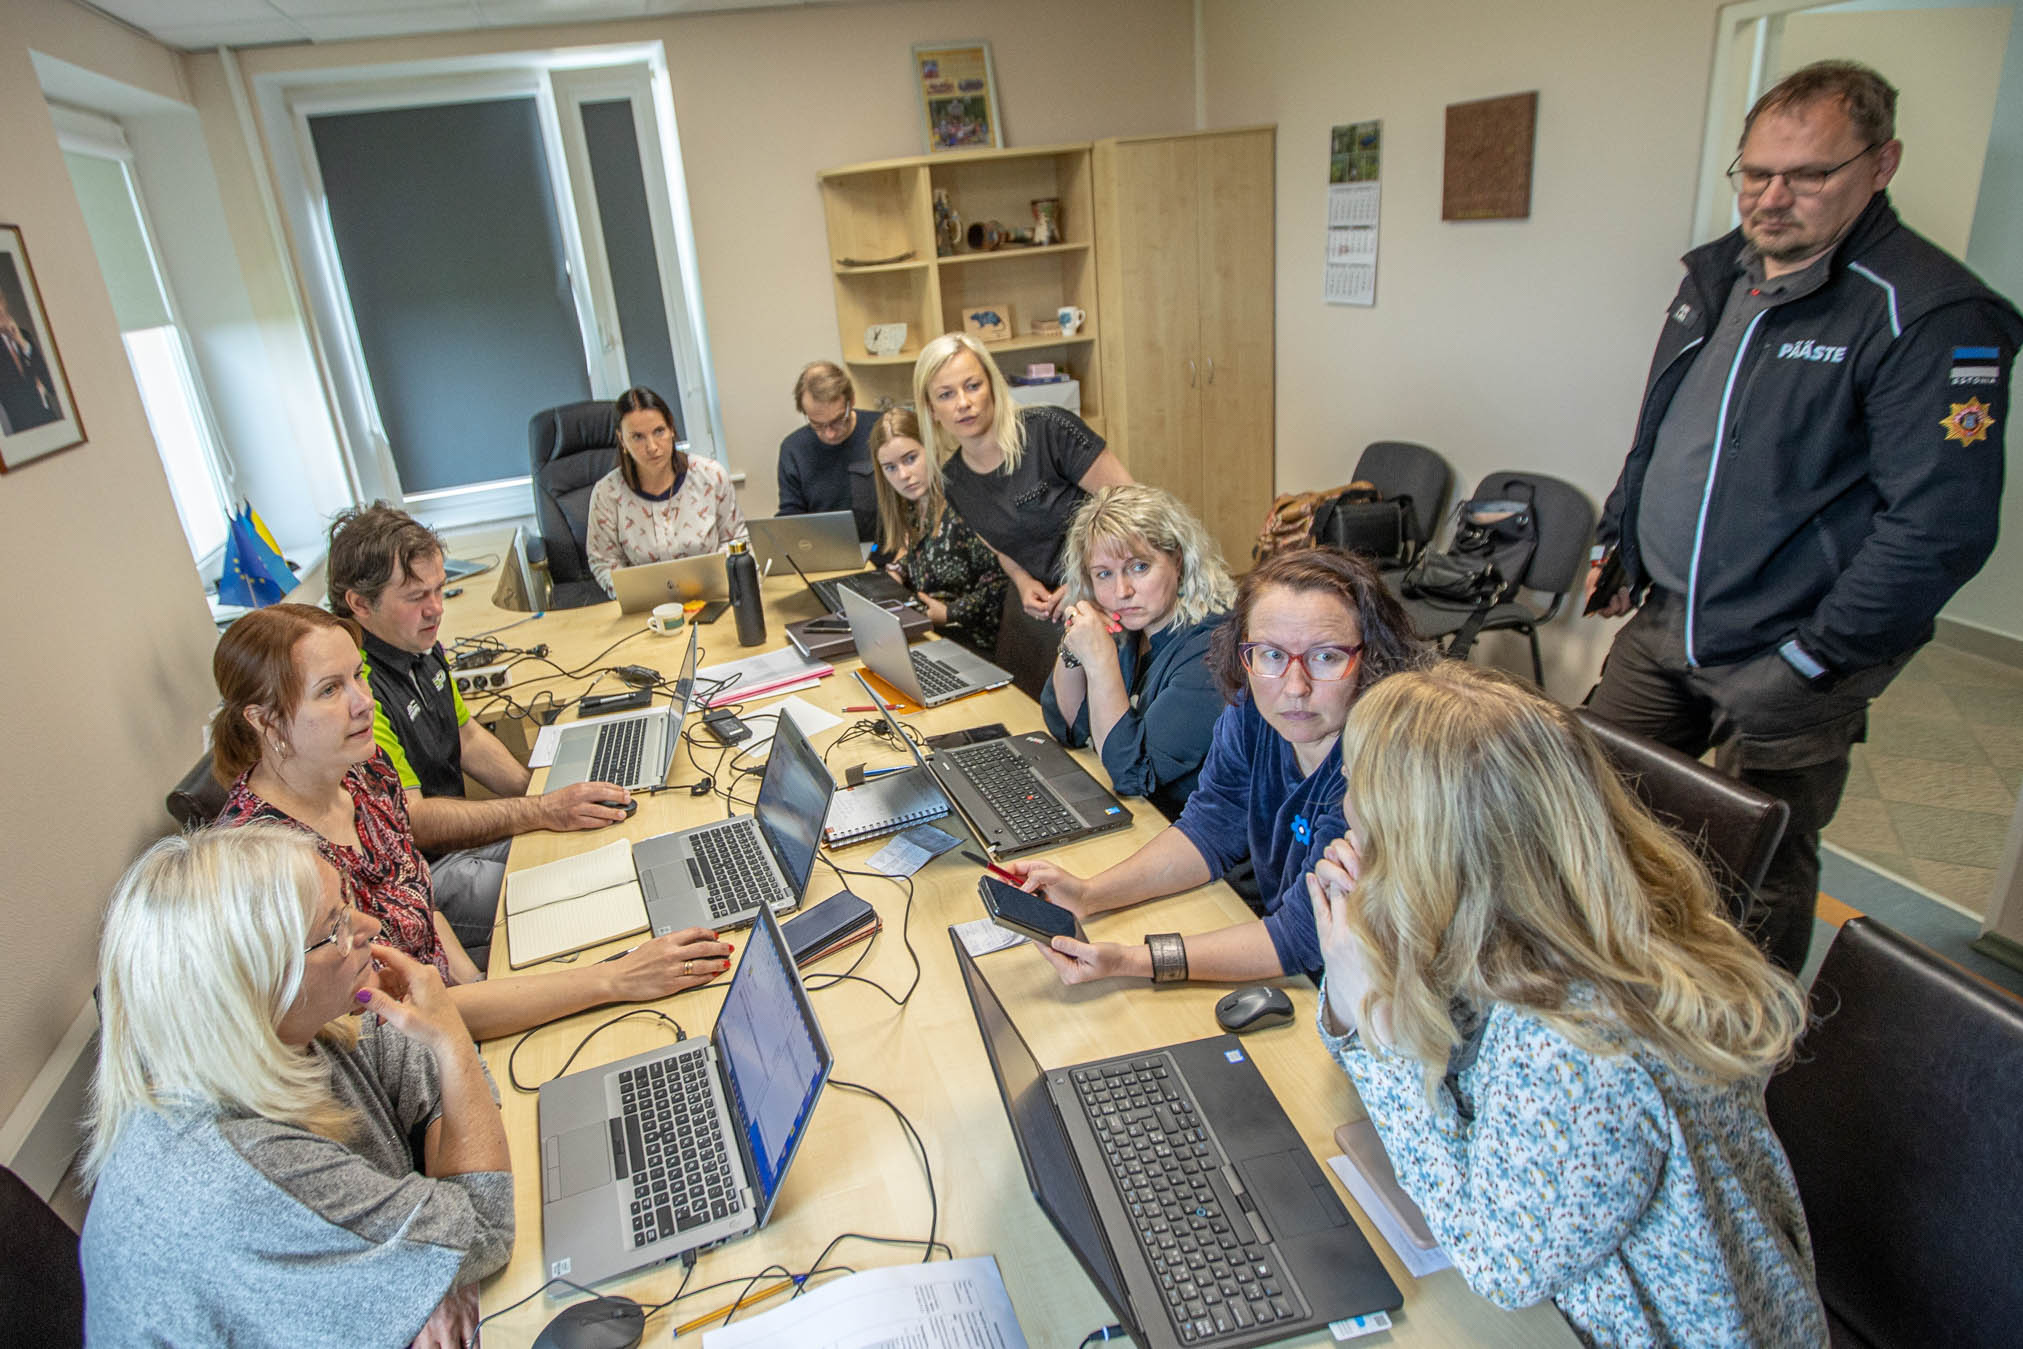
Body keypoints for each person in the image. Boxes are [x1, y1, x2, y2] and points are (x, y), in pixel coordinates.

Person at [1586, 60, 2021, 974]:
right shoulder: (1716, 277)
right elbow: (1664, 424)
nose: (1772, 197)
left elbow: (1939, 527)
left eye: (1809, 174)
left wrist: (1812, 659)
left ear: (1881, 164)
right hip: (1666, 621)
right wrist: (1619, 533)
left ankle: (1757, 1063)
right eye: (1755, 172)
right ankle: (1613, 992)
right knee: (1592, 805)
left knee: (1758, 871)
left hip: (1788, 650)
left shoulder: (1930, 311)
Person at [1308, 662, 1823, 1346]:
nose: (1347, 810)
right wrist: (1371, 960)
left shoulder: (1578, 1042)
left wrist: (1372, 1015)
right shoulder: (1528, 918)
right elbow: (1449, 1045)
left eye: (1361, 794)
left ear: (1436, 847)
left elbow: (1500, 1267)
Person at [210, 602, 732, 1041]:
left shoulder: (363, 769)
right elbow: (394, 1023)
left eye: (359, 677)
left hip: (454, 999)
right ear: (265, 720)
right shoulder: (267, 864)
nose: (363, 703)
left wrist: (473, 977)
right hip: (413, 1056)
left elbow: (415, 892)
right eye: (329, 690)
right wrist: (614, 979)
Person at [80, 822, 515, 1347]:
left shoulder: (303, 1025)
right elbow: (486, 1228)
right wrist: (453, 1044)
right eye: (334, 928)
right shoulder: (236, 1171)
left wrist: (414, 1266)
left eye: (346, 902)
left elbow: (430, 1094)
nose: (369, 925)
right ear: (255, 985)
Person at [1006, 548, 1427, 985]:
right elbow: (1209, 829)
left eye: (1325, 657)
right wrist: (1090, 894)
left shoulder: (1378, 770)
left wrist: (1129, 961)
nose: (1294, 688)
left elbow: (1300, 938)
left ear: (1372, 658)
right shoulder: (1253, 711)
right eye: (1271, 655)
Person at [328, 502, 632, 968]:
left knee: (592, 841)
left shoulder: (420, 646)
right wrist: (541, 809)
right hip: (424, 870)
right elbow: (416, 820)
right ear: (360, 604)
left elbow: (466, 736)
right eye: (415, 597)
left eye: (440, 590)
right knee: (578, 888)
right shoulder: (359, 690)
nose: (436, 610)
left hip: (458, 840)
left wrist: (546, 794)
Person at [1040, 484, 1234, 820]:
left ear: (1177, 560)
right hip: (1143, 820)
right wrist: (1073, 646)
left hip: (1187, 836)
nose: (1122, 591)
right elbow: (1068, 727)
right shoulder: (1128, 629)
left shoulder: (1212, 648)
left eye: (1139, 567)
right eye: (1104, 574)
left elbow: (1132, 774)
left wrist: (1100, 662)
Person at [913, 332, 1132, 620]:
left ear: (992, 386)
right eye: (946, 394)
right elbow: (1005, 550)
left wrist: (1088, 582)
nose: (963, 402)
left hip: (1120, 591)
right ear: (931, 409)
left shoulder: (1049, 429)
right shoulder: (953, 481)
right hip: (1056, 612)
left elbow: (1134, 508)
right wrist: (1023, 581)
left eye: (973, 386)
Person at [868, 406, 1007, 654]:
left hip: (969, 641)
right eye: (890, 467)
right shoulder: (914, 505)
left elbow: (1003, 585)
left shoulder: (963, 505)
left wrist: (948, 613)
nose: (904, 475)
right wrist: (895, 572)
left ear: (930, 447)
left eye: (911, 458)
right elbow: (917, 555)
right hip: (931, 633)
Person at [587, 385, 745, 596]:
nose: (652, 447)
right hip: (647, 608)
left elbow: (736, 540)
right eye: (637, 437)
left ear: (671, 428)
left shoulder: (711, 475)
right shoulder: (606, 493)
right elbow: (604, 562)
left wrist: (721, 579)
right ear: (622, 440)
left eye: (659, 431)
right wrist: (633, 594)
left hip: (713, 597)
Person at [778, 360, 880, 542]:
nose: (830, 434)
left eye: (838, 420)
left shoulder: (881, 431)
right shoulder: (793, 449)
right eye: (817, 425)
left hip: (883, 549)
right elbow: (792, 517)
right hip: (825, 550)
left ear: (852, 400)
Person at [0, 286, 61, 435]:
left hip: (49, 422)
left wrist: (22, 343)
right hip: (20, 431)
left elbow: (51, 385)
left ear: (5, 302)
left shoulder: (24, 336)